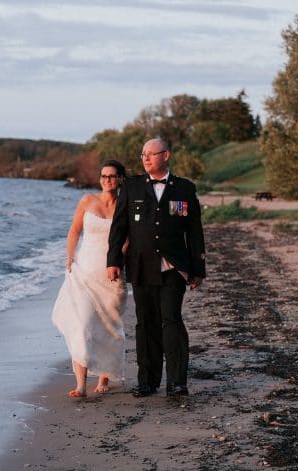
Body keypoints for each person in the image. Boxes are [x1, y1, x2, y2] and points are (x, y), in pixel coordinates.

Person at [106, 138, 206, 398]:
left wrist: (198, 269)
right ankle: (147, 381)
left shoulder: (185, 188)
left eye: (151, 154)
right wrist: (113, 260)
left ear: (166, 155)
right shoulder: (131, 186)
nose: (146, 158)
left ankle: (177, 382)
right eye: (143, 155)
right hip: (141, 266)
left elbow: (194, 232)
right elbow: (119, 228)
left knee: (171, 320)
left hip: (174, 267)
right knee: (146, 323)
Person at [51, 160, 128, 398]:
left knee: (108, 328)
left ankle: (104, 377)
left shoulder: (126, 205)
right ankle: (81, 384)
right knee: (82, 325)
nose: (107, 180)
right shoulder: (87, 201)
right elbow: (74, 231)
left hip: (112, 276)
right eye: (104, 176)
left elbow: (129, 239)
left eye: (112, 176)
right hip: (84, 272)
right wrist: (69, 256)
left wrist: (117, 260)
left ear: (121, 179)